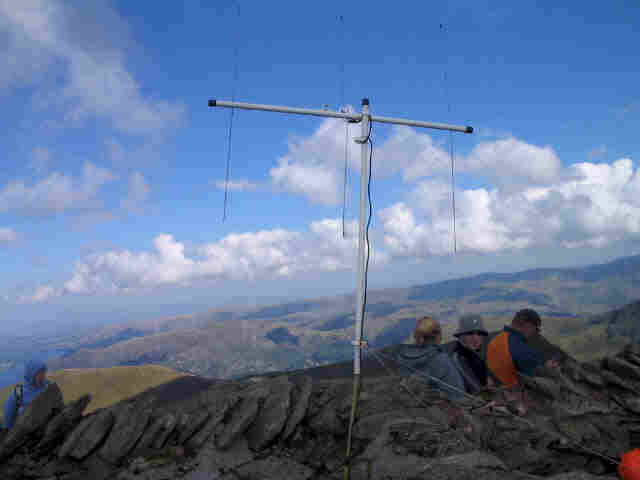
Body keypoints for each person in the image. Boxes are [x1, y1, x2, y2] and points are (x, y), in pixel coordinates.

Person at [392, 316, 466, 400]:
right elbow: (458, 392)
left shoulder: (402, 356)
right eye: (440, 333)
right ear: (437, 336)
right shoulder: (440, 358)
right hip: (451, 405)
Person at [486, 308, 558, 389]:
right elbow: (536, 372)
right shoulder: (519, 346)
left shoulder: (494, 338)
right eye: (536, 329)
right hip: (510, 394)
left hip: (493, 390)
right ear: (528, 326)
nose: (535, 333)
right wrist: (547, 367)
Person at [446, 314, 493, 394]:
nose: (476, 338)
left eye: (479, 333)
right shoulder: (459, 358)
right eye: (470, 333)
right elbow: (477, 391)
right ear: (460, 336)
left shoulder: (473, 356)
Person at [3, 359, 50, 430]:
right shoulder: (19, 392)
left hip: (47, 430)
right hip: (23, 432)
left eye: (44, 372)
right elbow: (9, 416)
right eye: (39, 373)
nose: (42, 376)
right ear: (31, 374)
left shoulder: (49, 387)